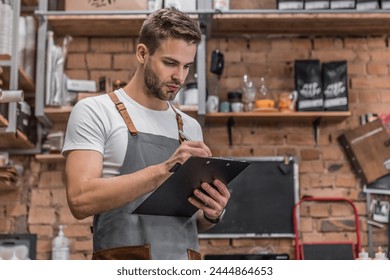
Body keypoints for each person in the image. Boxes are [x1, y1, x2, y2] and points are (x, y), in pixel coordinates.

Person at [62, 7, 230, 260]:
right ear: (142, 53)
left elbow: (192, 221)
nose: (179, 76)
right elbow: (80, 200)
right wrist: (164, 170)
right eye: (170, 63)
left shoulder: (189, 127)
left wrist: (212, 212)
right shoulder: (95, 111)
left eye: (187, 66)